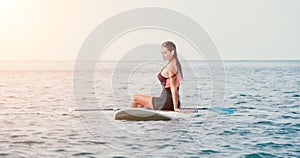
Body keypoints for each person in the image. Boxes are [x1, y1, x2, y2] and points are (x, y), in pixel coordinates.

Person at [130, 41, 183, 112]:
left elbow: (174, 89)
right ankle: (139, 117)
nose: (163, 55)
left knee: (135, 98)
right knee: (140, 105)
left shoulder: (171, 67)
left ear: (172, 52)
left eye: (165, 53)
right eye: (162, 53)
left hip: (165, 103)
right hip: (168, 101)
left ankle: (129, 117)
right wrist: (176, 106)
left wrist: (176, 108)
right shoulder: (175, 64)